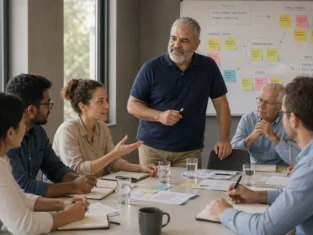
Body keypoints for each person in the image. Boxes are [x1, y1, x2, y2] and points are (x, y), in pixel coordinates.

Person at [210, 76, 313, 235]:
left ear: (292, 119)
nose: (261, 105)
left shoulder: (308, 167)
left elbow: (264, 228)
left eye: (283, 112)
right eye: (260, 100)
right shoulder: (308, 159)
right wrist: (255, 195)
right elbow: (295, 194)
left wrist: (224, 212)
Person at [127, 17, 232, 168]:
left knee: (190, 191)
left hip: (189, 151)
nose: (176, 45)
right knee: (151, 191)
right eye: (173, 38)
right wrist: (160, 116)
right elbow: (132, 105)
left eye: (184, 40)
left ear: (196, 44)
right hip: (152, 149)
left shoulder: (208, 67)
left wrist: (224, 139)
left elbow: (221, 104)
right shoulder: (151, 67)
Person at [0, 92, 89, 235]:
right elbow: (24, 226)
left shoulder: (2, 159)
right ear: (10, 133)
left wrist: (62, 203)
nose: (25, 128)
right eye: (23, 123)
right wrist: (69, 215)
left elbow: (20, 197)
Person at [6, 74, 97, 197]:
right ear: (31, 110)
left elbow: (55, 168)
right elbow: (23, 187)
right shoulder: (6, 139)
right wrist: (73, 187)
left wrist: (80, 179)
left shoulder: (38, 132)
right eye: (47, 103)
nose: (50, 108)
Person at [53, 78, 157, 177]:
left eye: (106, 100)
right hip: (65, 193)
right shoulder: (67, 130)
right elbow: (76, 170)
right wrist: (114, 154)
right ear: (83, 107)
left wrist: (141, 168)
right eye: (100, 101)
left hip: (93, 189)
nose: (107, 106)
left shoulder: (102, 127)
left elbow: (114, 163)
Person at [231, 83, 300, 165]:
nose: (261, 105)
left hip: (281, 172)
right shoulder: (248, 119)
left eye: (268, 102)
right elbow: (233, 153)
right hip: (254, 171)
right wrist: (250, 138)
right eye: (260, 100)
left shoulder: (289, 122)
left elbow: (296, 160)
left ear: (280, 106)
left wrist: (274, 138)